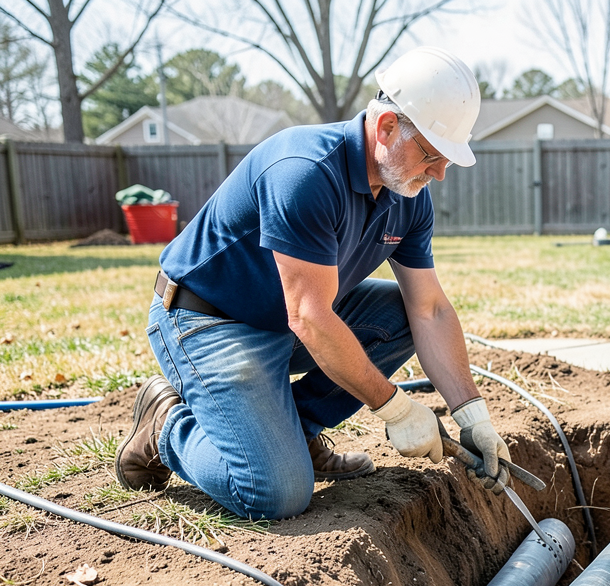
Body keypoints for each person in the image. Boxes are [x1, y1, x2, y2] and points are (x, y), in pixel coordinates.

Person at [115, 47, 512, 519]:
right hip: (207, 320)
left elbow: (430, 309)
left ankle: (295, 430)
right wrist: (397, 411)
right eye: (431, 155)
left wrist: (472, 414)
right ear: (386, 127)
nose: (440, 174)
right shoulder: (304, 172)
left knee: (400, 314)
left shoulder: (408, 197)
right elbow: (310, 317)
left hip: (286, 319)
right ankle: (164, 425)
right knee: (274, 493)